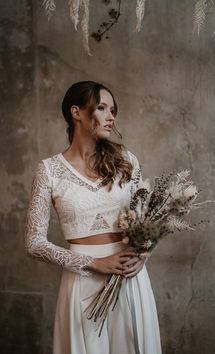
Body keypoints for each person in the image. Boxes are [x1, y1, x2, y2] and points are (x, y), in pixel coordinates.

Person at [24, 81, 162, 354]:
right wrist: (93, 262)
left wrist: (142, 255)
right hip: (82, 281)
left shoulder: (127, 161)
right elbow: (33, 243)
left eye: (113, 110)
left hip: (129, 277)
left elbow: (146, 223)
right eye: (101, 108)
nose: (111, 116)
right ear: (76, 112)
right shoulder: (49, 171)